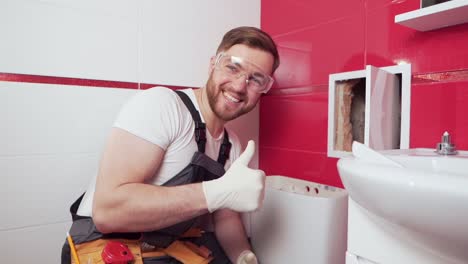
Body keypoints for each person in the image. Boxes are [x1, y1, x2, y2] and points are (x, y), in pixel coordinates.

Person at [61, 26, 280, 264]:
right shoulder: (162, 106)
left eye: (256, 79)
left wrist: (243, 256)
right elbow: (107, 212)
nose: (239, 86)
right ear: (212, 64)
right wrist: (214, 193)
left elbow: (226, 220)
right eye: (232, 67)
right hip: (104, 248)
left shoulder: (232, 145)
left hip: (158, 250)